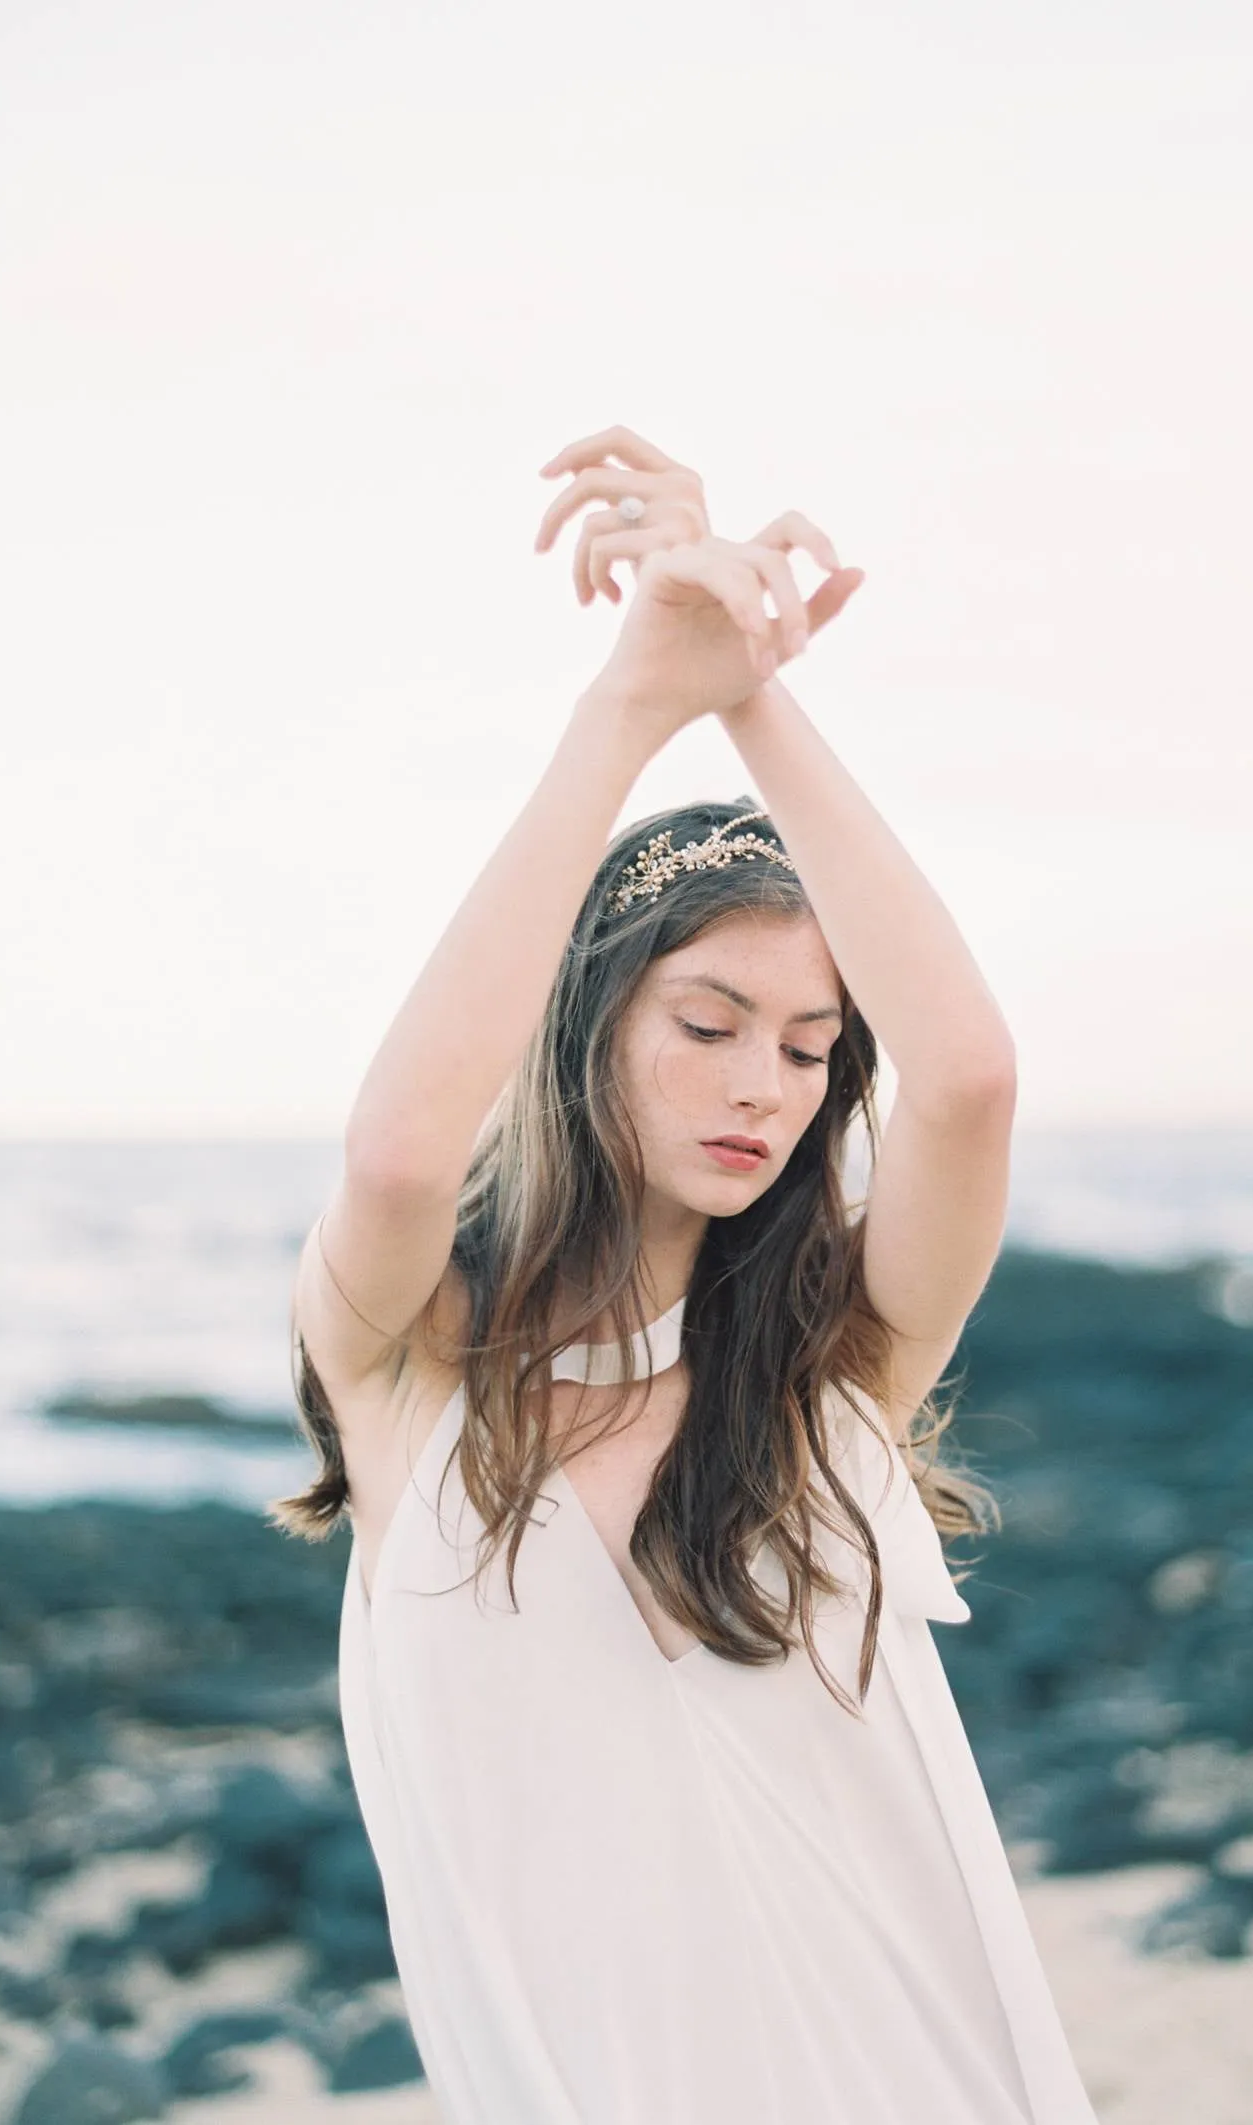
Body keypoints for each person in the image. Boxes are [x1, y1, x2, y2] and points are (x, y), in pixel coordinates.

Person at [274, 425, 1099, 2122]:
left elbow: (969, 1082)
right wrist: (631, 703)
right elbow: (401, 1157)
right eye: (709, 1024)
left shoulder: (831, 1368)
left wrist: (754, 697)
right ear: (591, 1028)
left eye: (808, 1051)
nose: (761, 1088)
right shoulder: (406, 1369)